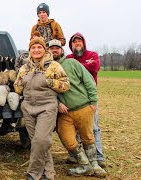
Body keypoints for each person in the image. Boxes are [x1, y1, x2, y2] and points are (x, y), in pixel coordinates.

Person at [47, 39, 107, 177]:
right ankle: (84, 164)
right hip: (64, 113)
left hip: (83, 107)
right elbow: (46, 91)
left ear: (61, 50)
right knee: (66, 137)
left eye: (57, 48)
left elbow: (88, 81)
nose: (54, 50)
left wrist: (93, 101)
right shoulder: (48, 69)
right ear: (48, 52)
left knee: (88, 137)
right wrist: (57, 103)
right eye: (51, 49)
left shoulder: (72, 63)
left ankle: (95, 164)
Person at [14, 37, 69, 180]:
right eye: (33, 48)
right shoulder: (24, 68)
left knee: (41, 140)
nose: (36, 50)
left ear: (44, 49)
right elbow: (17, 87)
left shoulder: (54, 66)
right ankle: (48, 174)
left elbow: (65, 85)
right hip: (28, 107)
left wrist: (47, 81)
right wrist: (21, 84)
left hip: (47, 107)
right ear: (30, 50)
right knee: (38, 143)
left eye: (39, 47)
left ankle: (33, 173)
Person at [66, 33, 105, 168]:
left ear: (84, 43)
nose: (77, 43)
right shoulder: (68, 58)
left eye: (79, 41)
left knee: (93, 128)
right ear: (71, 45)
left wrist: (77, 66)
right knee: (76, 128)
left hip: (89, 97)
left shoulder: (92, 55)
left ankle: (99, 158)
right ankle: (78, 157)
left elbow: (95, 67)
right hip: (75, 99)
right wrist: (85, 65)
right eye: (74, 42)